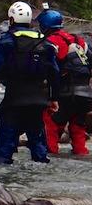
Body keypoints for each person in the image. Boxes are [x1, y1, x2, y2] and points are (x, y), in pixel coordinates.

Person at [0, 1, 60, 164]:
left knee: (5, 148)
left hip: (13, 100)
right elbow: (54, 72)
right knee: (39, 149)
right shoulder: (44, 42)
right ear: (30, 21)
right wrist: (54, 98)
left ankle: (1, 182)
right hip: (38, 102)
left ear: (11, 20)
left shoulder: (7, 41)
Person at [38, 9, 92, 155]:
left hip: (66, 94)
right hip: (86, 95)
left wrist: (51, 96)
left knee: (50, 124)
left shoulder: (51, 42)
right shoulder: (79, 41)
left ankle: (50, 159)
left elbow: (50, 69)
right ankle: (81, 157)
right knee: (78, 128)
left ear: (44, 26)